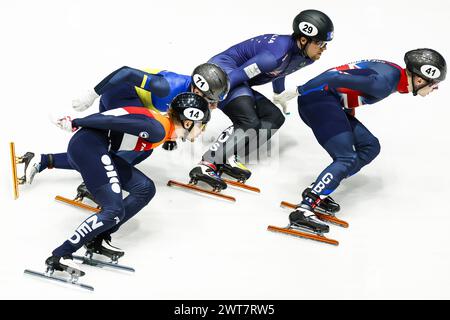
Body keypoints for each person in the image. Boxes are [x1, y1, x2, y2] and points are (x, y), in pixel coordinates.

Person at [44, 92, 211, 273]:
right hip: (89, 146)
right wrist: (76, 122)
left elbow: (117, 118)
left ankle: (98, 237)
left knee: (145, 188)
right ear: (188, 122)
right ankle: (61, 254)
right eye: (202, 125)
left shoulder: (162, 126)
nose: (203, 130)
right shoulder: (158, 130)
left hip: (95, 147)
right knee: (114, 210)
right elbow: (111, 121)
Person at [287, 48, 446, 234]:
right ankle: (304, 209)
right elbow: (335, 78)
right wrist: (299, 90)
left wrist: (346, 111)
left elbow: (348, 82)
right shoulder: (384, 83)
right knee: (346, 158)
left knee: (370, 146)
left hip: (327, 102)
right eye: (434, 84)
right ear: (419, 80)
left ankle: (320, 190)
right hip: (317, 102)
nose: (435, 89)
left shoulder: (395, 73)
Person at [189, 9, 334, 190]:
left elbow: (284, 70)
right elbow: (237, 75)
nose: (324, 48)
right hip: (223, 74)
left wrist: (278, 93)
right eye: (320, 43)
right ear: (303, 39)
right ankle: (207, 164)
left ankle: (226, 155)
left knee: (274, 118)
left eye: (326, 44)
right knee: (248, 121)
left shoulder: (306, 57)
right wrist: (210, 98)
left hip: (239, 78)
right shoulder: (273, 56)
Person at [24, 63, 229, 185]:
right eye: (212, 100)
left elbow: (171, 116)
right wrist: (92, 94)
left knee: (102, 147)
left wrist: (171, 136)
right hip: (121, 92)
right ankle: (102, 177)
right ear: (197, 90)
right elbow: (126, 72)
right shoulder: (167, 87)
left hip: (135, 104)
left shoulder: (192, 98)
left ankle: (43, 160)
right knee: (140, 148)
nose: (213, 106)